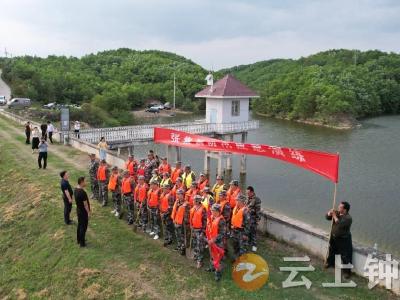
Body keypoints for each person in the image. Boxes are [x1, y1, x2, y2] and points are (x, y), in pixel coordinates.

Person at [325, 201, 353, 278]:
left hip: (343, 239)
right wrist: (329, 213)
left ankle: (347, 272)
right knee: (332, 251)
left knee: (345, 256)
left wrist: (334, 216)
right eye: (339, 206)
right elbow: (327, 218)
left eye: (340, 207)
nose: (338, 208)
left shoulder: (348, 218)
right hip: (334, 237)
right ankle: (330, 263)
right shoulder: (337, 213)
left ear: (345, 210)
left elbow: (340, 224)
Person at [206, 203, 226, 282]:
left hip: (218, 243)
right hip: (211, 241)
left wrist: (214, 239)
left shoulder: (221, 221)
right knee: (211, 255)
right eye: (211, 210)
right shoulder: (211, 217)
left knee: (218, 258)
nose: (211, 211)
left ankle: (218, 273)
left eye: (213, 210)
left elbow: (222, 233)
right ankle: (212, 267)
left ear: (217, 211)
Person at [231, 194, 251, 259]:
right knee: (235, 245)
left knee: (242, 247)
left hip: (241, 232)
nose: (236, 201)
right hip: (235, 230)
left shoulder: (245, 211)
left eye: (237, 200)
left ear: (241, 201)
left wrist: (245, 234)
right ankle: (236, 258)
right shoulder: (236, 208)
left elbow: (248, 224)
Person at [190, 195, 207, 268]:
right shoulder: (193, 207)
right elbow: (192, 218)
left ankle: (200, 261)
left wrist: (203, 232)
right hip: (194, 229)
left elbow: (205, 222)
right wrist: (191, 226)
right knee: (194, 243)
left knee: (200, 245)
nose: (193, 201)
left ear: (197, 201)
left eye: (194, 200)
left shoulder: (203, 209)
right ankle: (196, 255)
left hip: (200, 230)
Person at [171, 189, 189, 256]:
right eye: (177, 194)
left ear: (182, 195)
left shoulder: (186, 204)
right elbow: (175, 211)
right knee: (177, 235)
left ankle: (183, 248)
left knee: (182, 236)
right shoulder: (176, 201)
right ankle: (179, 246)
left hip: (182, 224)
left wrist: (184, 223)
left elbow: (187, 215)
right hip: (176, 221)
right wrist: (174, 219)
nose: (178, 196)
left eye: (179, 194)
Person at [74, 176, 91, 247]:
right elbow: (85, 204)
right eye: (85, 181)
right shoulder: (82, 192)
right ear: (81, 182)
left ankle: (79, 239)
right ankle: (82, 243)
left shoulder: (76, 189)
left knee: (80, 225)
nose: (86, 182)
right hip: (83, 212)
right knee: (83, 227)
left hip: (78, 210)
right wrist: (88, 212)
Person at [246, 186, 261, 252]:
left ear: (252, 192)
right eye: (247, 193)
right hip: (248, 219)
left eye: (248, 193)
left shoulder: (256, 199)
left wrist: (257, 220)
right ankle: (249, 243)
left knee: (253, 234)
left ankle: (254, 248)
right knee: (248, 232)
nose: (247, 194)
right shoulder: (248, 198)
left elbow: (258, 211)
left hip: (253, 219)